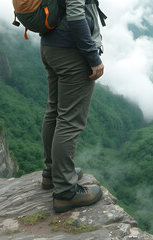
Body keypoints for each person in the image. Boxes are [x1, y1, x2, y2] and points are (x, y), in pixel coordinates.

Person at [40, 0, 104, 213]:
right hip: (71, 52)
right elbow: (76, 14)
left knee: (54, 111)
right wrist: (92, 56)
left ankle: (52, 173)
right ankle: (65, 191)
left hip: (50, 46)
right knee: (69, 121)